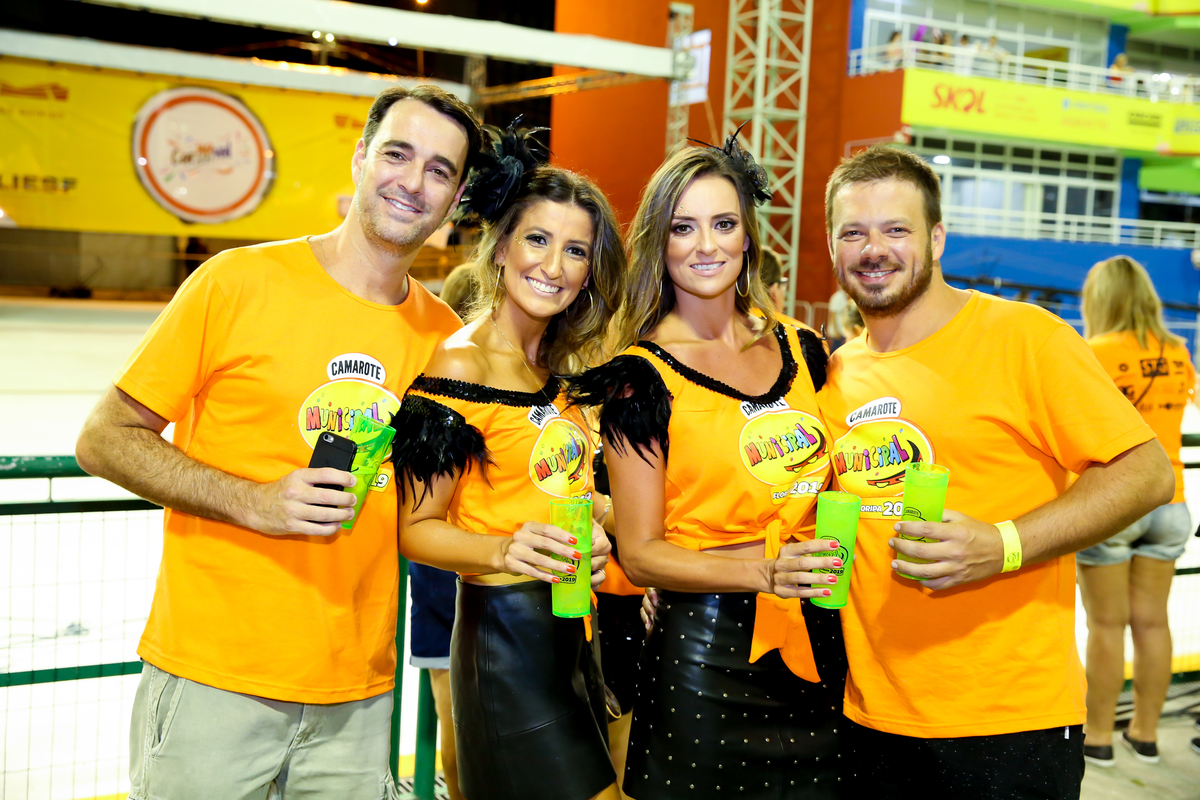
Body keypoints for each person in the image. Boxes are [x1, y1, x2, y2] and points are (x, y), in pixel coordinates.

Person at [73, 84, 482, 798]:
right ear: (359, 159)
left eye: (439, 170)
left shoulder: (448, 342)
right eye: (397, 154)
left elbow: (458, 506)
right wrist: (253, 501)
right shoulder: (238, 282)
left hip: (357, 700)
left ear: (455, 198)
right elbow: (103, 438)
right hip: (214, 682)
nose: (414, 182)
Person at [818, 145, 1174, 798]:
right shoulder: (838, 372)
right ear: (833, 246)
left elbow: (1147, 473)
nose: (874, 249)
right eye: (853, 232)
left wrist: (1003, 544)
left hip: (1008, 724)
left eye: (896, 229)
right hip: (872, 717)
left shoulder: (1023, 336)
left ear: (937, 238)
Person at [573, 133, 847, 799]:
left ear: (748, 236)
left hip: (823, 642)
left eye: (723, 224)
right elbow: (642, 554)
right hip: (706, 657)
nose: (706, 246)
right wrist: (766, 569)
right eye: (683, 227)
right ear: (659, 244)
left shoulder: (805, 348)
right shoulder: (639, 378)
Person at [390, 123, 623, 800]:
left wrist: (610, 520)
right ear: (500, 248)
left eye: (575, 250)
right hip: (505, 642)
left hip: (574, 632)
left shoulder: (559, 369)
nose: (554, 266)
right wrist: (504, 549)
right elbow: (415, 528)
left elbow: (554, 491)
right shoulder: (459, 364)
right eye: (538, 240)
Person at [1076, 256, 1195, 767]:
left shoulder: (1093, 352)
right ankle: (1145, 734)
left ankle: (1099, 737)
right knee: (1153, 624)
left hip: (1115, 503)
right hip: (1170, 500)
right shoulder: (1177, 351)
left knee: (1106, 626)